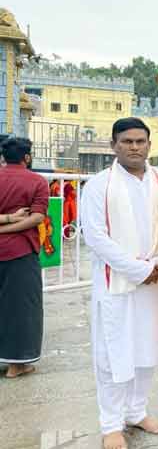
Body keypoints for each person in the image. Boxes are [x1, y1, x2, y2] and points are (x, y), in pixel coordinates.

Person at [81, 118, 158, 449]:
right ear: (113, 145)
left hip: (156, 281)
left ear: (149, 144)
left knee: (146, 351)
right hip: (116, 283)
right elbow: (96, 237)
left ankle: (136, 410)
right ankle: (111, 423)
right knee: (113, 354)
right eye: (127, 141)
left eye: (140, 141)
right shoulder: (99, 185)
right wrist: (137, 269)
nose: (134, 147)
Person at [0, 137, 48, 379]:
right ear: (27, 157)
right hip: (20, 251)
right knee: (21, 308)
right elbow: (38, 217)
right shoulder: (37, 181)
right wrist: (11, 224)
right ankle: (17, 364)